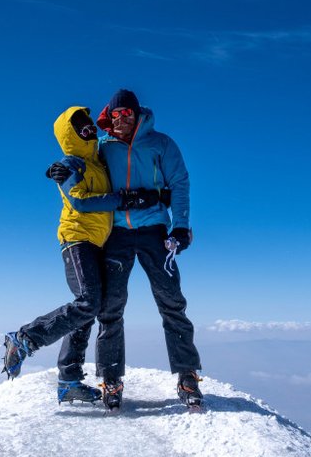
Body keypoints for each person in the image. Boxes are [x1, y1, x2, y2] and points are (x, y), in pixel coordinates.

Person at [52, 89, 203, 410]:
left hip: (155, 232)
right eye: (117, 115)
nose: (122, 120)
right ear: (110, 115)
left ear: (138, 115)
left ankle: (187, 375)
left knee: (172, 301)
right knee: (110, 307)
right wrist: (60, 168)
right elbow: (83, 159)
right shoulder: (105, 147)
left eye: (128, 114)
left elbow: (180, 183)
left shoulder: (161, 143)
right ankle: (110, 378)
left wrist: (181, 226)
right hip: (116, 235)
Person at [1, 105, 161, 405]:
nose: (88, 126)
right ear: (69, 134)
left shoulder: (98, 160)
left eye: (88, 122)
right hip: (77, 238)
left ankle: (69, 381)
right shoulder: (72, 164)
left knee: (89, 309)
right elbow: (82, 203)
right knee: (88, 303)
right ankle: (26, 338)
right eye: (80, 124)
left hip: (99, 241)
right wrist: (128, 199)